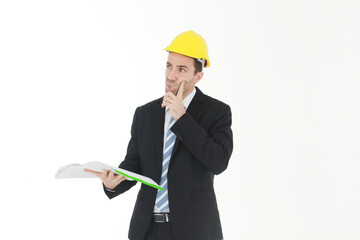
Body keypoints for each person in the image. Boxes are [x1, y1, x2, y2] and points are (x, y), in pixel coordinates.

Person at [85, 30, 233, 240]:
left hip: (194, 230)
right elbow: (134, 166)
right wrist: (112, 184)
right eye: (169, 66)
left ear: (198, 76)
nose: (171, 75)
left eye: (181, 69)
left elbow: (218, 161)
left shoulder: (217, 112)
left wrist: (182, 118)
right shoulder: (145, 114)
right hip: (148, 230)